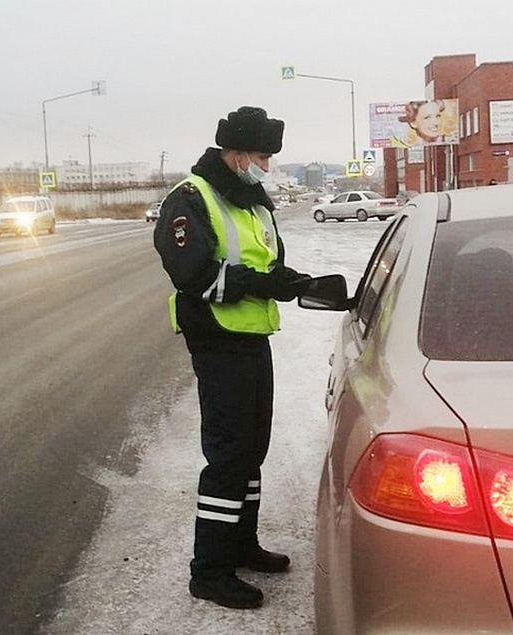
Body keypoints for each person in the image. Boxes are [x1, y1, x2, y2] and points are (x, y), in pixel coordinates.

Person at [153, 106, 313, 610]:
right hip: (217, 341)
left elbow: (266, 260)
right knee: (227, 457)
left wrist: (288, 282)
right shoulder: (189, 199)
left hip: (251, 339)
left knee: (251, 451)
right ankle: (210, 570)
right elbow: (194, 275)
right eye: (261, 156)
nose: (266, 166)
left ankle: (241, 544)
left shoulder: (252, 201)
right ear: (236, 152)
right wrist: (258, 284)